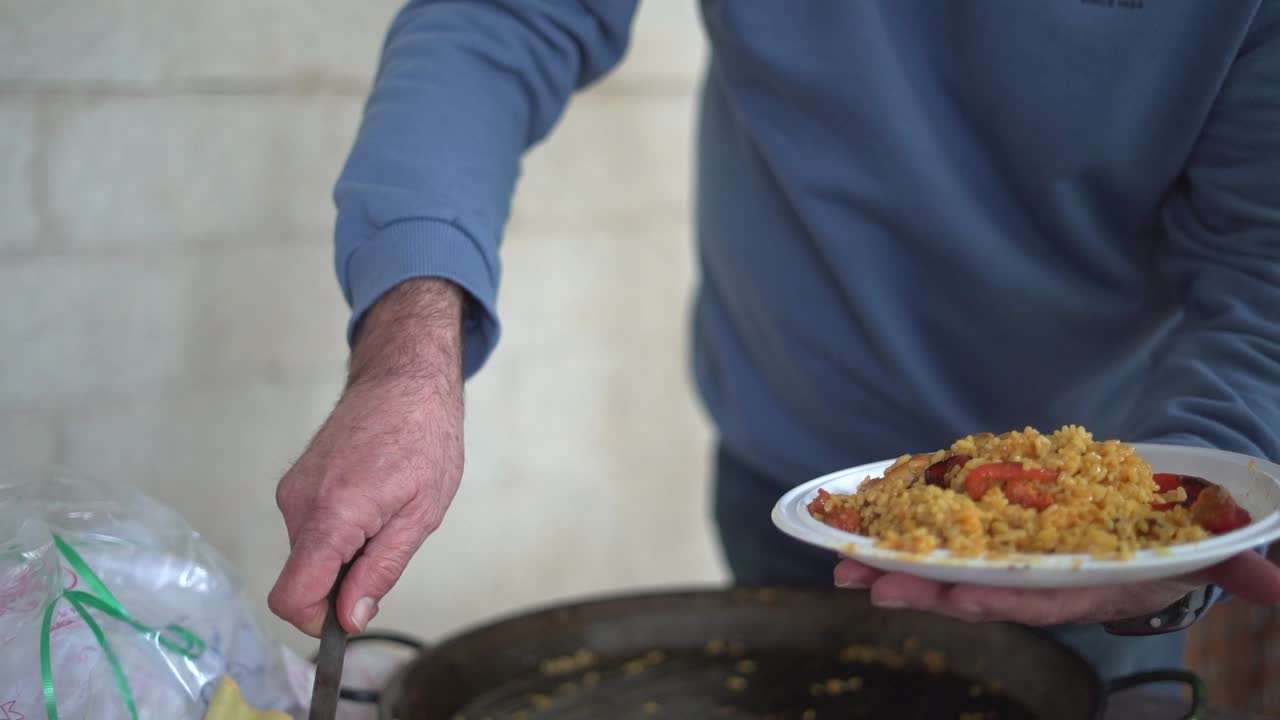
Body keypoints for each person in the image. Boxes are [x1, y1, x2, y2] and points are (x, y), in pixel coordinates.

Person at [267, 1, 1280, 681]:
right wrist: (407, 359)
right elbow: (502, 19)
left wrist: (1188, 501)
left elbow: (1263, 254)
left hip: (1097, 532)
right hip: (792, 483)